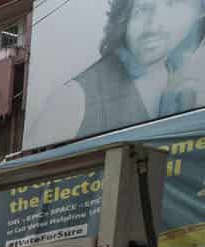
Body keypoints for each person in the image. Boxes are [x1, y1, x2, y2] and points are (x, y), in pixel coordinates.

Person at [29, 0, 205, 147]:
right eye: (142, 9)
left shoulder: (185, 80)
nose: (153, 25)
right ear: (123, 15)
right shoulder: (74, 98)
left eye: (171, 5)